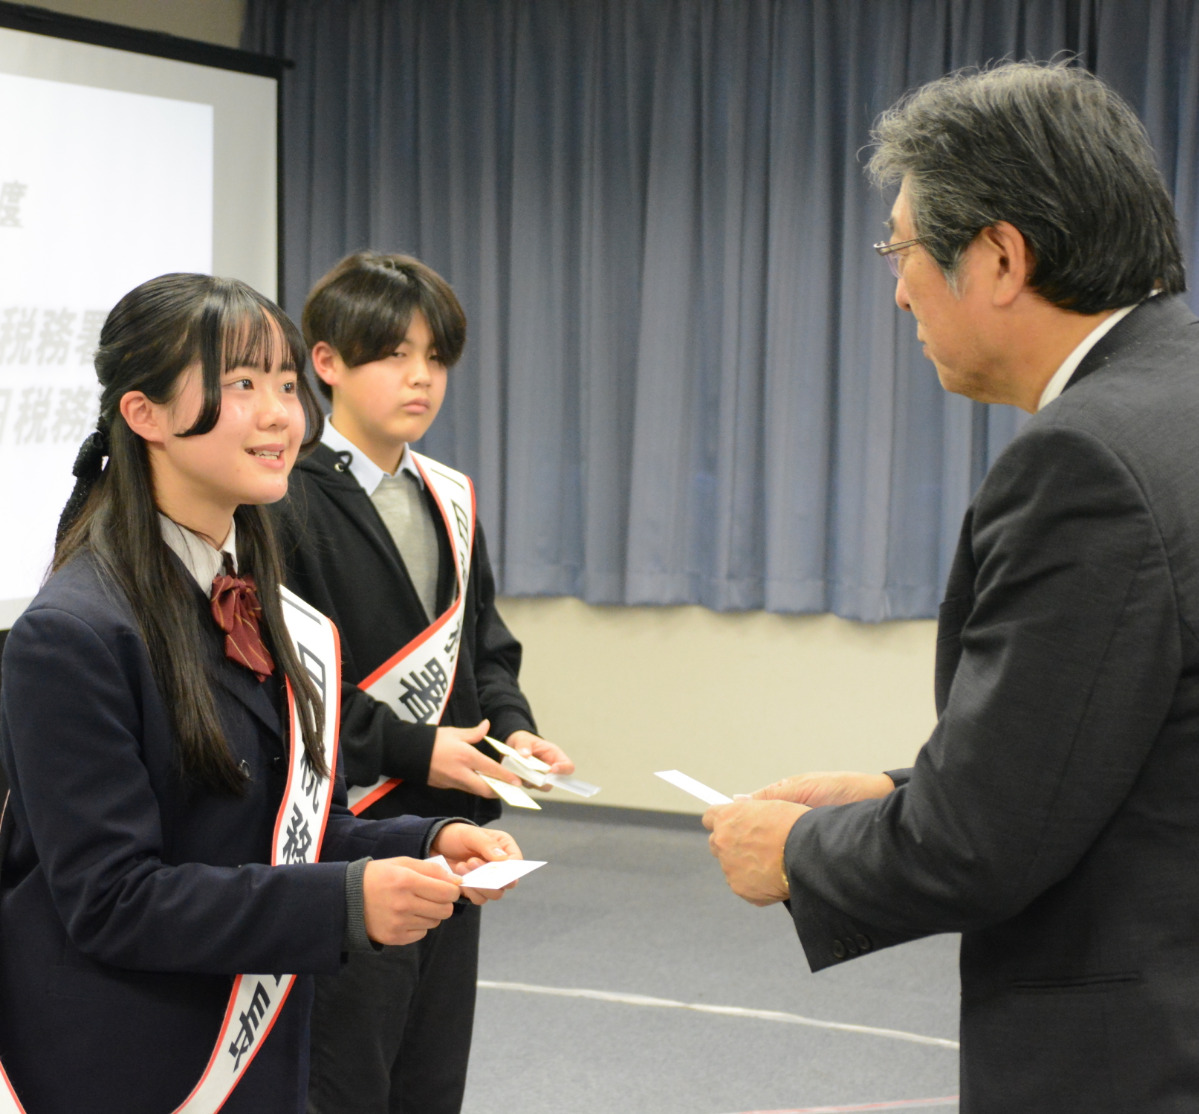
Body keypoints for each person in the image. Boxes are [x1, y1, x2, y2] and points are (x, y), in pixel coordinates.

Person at [703, 60, 1199, 1112]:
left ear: (1000, 257)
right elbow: (1122, 736)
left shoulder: (1085, 461)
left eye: (902, 250)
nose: (897, 290)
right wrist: (900, 792)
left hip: (1131, 1048)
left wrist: (795, 852)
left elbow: (982, 843)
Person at [0, 273, 521, 1114]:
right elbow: (112, 901)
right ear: (144, 414)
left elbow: (283, 822)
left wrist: (423, 838)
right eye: (241, 384)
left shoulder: (257, 599)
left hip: (257, 1039)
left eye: (285, 383)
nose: (282, 414)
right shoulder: (75, 632)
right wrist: (344, 901)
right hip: (130, 1056)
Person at [270, 251, 572, 1114]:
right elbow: (292, 682)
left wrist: (511, 729)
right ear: (325, 362)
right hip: (349, 837)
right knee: (345, 1080)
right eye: (394, 354)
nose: (421, 378)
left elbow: (485, 647)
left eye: (436, 357)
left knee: (430, 1080)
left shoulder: (449, 494)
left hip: (453, 837)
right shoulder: (280, 498)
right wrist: (413, 749)